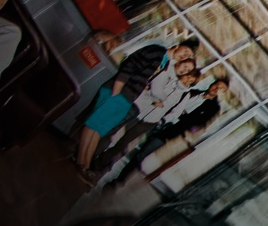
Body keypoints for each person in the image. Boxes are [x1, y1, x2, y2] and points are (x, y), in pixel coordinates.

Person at [75, 37, 200, 174]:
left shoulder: (164, 63)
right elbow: (129, 64)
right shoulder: (158, 52)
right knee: (93, 126)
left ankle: (85, 164)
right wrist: (116, 91)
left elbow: (148, 80)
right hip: (121, 92)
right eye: (185, 51)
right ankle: (80, 161)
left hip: (129, 96)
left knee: (98, 129)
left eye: (188, 55)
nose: (185, 56)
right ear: (177, 46)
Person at [104, 77, 228, 187]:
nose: (216, 89)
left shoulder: (214, 108)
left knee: (142, 154)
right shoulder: (193, 92)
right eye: (216, 85)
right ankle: (105, 167)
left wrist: (181, 115)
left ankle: (118, 181)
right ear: (212, 84)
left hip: (170, 131)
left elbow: (198, 124)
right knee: (127, 144)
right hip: (155, 120)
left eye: (221, 89)